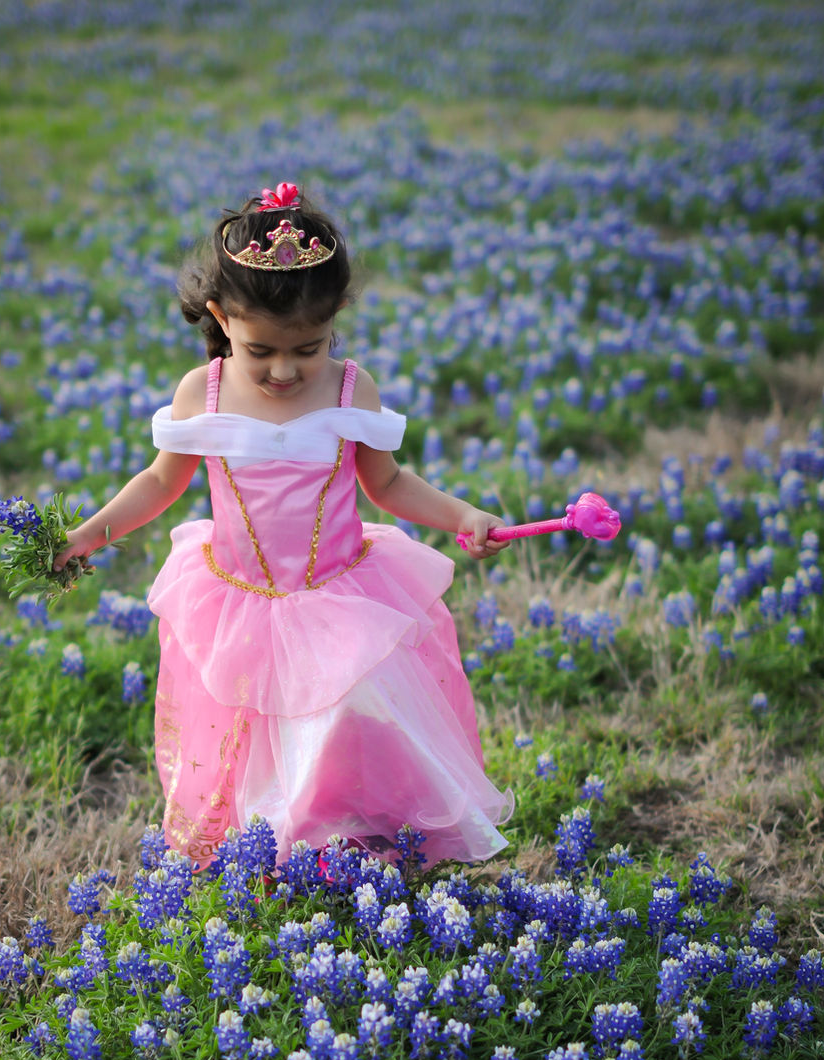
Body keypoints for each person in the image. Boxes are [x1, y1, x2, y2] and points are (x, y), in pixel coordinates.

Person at [56, 180, 514, 868]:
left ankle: (343, 839)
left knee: (340, 715)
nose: (284, 369)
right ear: (221, 317)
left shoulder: (351, 387)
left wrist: (461, 515)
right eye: (261, 350)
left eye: (308, 348)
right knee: (252, 728)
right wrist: (88, 533)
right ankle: (277, 847)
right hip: (239, 597)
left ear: (334, 323)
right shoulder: (201, 391)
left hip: (337, 591)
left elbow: (385, 481)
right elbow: (159, 481)